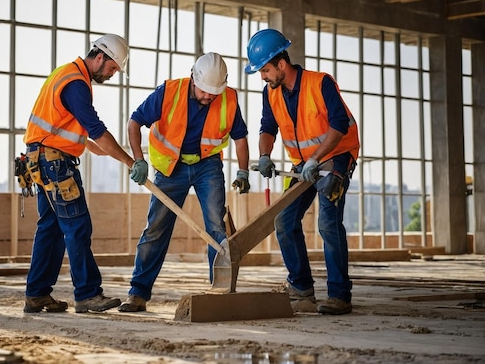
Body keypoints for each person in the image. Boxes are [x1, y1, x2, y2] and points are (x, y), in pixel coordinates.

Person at [118, 52, 250, 313]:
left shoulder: (229, 98)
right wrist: (138, 160)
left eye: (214, 92)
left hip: (207, 166)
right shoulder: (168, 92)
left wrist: (243, 171)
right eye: (204, 91)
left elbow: (241, 138)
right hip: (170, 168)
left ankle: (220, 292)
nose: (209, 96)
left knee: (216, 230)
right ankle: (138, 293)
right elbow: (134, 123)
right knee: (155, 228)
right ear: (193, 78)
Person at [22, 34, 141, 314]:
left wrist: (82, 144)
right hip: (55, 163)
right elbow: (96, 128)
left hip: (40, 158)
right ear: (99, 57)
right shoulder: (76, 83)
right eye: (112, 68)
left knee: (50, 228)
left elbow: (56, 125)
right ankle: (87, 294)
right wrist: (130, 162)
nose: (112, 74)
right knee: (77, 226)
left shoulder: (64, 73)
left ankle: (37, 294)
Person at [244, 28, 360, 315]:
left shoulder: (321, 83)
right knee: (284, 220)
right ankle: (301, 288)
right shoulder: (271, 93)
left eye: (265, 70)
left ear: (281, 64)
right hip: (302, 163)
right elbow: (267, 129)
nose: (263, 76)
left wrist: (316, 159)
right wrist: (264, 155)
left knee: (328, 223)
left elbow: (339, 126)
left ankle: (339, 295)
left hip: (335, 157)